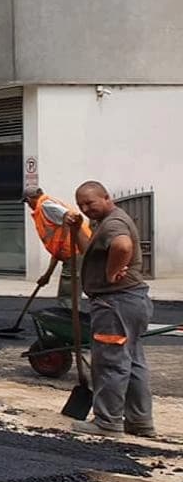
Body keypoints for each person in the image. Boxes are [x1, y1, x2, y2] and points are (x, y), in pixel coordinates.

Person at [64, 181, 154, 438]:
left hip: (114, 303)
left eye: (90, 203)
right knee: (133, 361)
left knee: (110, 363)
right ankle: (139, 421)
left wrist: (113, 270)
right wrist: (76, 228)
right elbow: (89, 249)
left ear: (106, 197)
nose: (85, 208)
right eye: (81, 204)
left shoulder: (114, 223)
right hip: (131, 302)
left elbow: (122, 246)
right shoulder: (104, 223)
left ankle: (107, 421)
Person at [23, 185, 90, 304]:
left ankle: (68, 319)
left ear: (29, 199)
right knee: (70, 289)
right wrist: (47, 275)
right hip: (71, 252)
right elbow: (56, 252)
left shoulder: (45, 205)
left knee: (69, 291)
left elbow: (69, 216)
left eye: (27, 203)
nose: (29, 206)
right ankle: (69, 316)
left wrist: (64, 237)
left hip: (75, 252)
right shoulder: (46, 206)